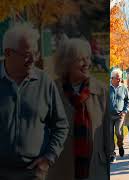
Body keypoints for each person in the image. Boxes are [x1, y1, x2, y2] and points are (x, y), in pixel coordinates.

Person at [0, 23, 69, 179]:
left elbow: (61, 125)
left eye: (35, 53)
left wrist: (49, 158)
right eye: (27, 54)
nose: (33, 59)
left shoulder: (45, 82)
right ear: (8, 53)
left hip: (34, 173)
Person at [46, 38, 110, 180]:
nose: (87, 63)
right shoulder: (52, 91)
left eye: (88, 58)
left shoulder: (101, 91)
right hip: (61, 169)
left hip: (95, 168)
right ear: (66, 63)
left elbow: (107, 130)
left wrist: (109, 156)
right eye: (80, 59)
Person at [110, 68, 129, 162]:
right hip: (108, 116)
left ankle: (120, 145)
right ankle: (112, 153)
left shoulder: (123, 88)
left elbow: (128, 100)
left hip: (120, 115)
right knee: (109, 135)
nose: (119, 80)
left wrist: (125, 111)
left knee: (118, 132)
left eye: (120, 78)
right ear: (112, 78)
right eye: (117, 78)